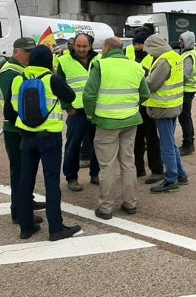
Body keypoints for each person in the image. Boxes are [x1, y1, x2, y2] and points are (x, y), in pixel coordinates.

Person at [4, 45, 82, 241]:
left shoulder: (17, 79)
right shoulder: (52, 79)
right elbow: (71, 97)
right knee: (51, 183)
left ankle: (26, 227)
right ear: (49, 61)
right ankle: (56, 228)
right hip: (49, 138)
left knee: (25, 182)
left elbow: (8, 113)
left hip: (26, 138)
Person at [83, 37, 149, 219]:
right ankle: (130, 203)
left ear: (106, 47)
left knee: (107, 166)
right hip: (130, 121)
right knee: (128, 163)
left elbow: (89, 95)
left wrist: (91, 114)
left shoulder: (101, 65)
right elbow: (145, 93)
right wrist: (132, 107)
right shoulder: (135, 66)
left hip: (106, 122)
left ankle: (106, 208)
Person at [0, 37, 47, 225]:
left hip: (21, 126)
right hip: (14, 128)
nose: (29, 56)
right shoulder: (10, 72)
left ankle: (26, 202)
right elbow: (17, 103)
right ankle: (18, 211)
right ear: (16, 51)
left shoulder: (20, 69)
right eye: (27, 52)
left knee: (27, 170)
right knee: (19, 171)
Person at [143, 34, 189, 193]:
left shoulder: (163, 61)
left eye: (149, 50)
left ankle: (171, 179)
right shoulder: (174, 56)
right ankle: (181, 174)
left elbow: (153, 84)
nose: (149, 54)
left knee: (166, 145)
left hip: (162, 107)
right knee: (171, 142)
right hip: (174, 104)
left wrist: (141, 79)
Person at [58, 33, 100, 192]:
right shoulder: (64, 61)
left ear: (90, 46)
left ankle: (95, 174)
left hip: (96, 109)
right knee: (73, 146)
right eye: (78, 46)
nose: (81, 49)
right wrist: (68, 106)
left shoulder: (99, 59)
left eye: (85, 46)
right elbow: (59, 86)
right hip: (76, 111)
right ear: (73, 45)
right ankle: (71, 177)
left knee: (97, 144)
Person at [129, 31, 164, 184]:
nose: (138, 46)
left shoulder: (152, 58)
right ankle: (138, 168)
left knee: (151, 139)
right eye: (135, 44)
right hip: (135, 102)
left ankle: (156, 170)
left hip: (149, 102)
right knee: (136, 138)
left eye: (140, 44)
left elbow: (152, 81)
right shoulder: (129, 55)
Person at [178, 31, 196, 156]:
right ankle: (189, 142)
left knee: (184, 118)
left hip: (187, 89)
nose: (180, 43)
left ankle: (188, 144)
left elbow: (184, 74)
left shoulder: (188, 55)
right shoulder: (189, 53)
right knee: (186, 117)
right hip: (189, 89)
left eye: (182, 40)